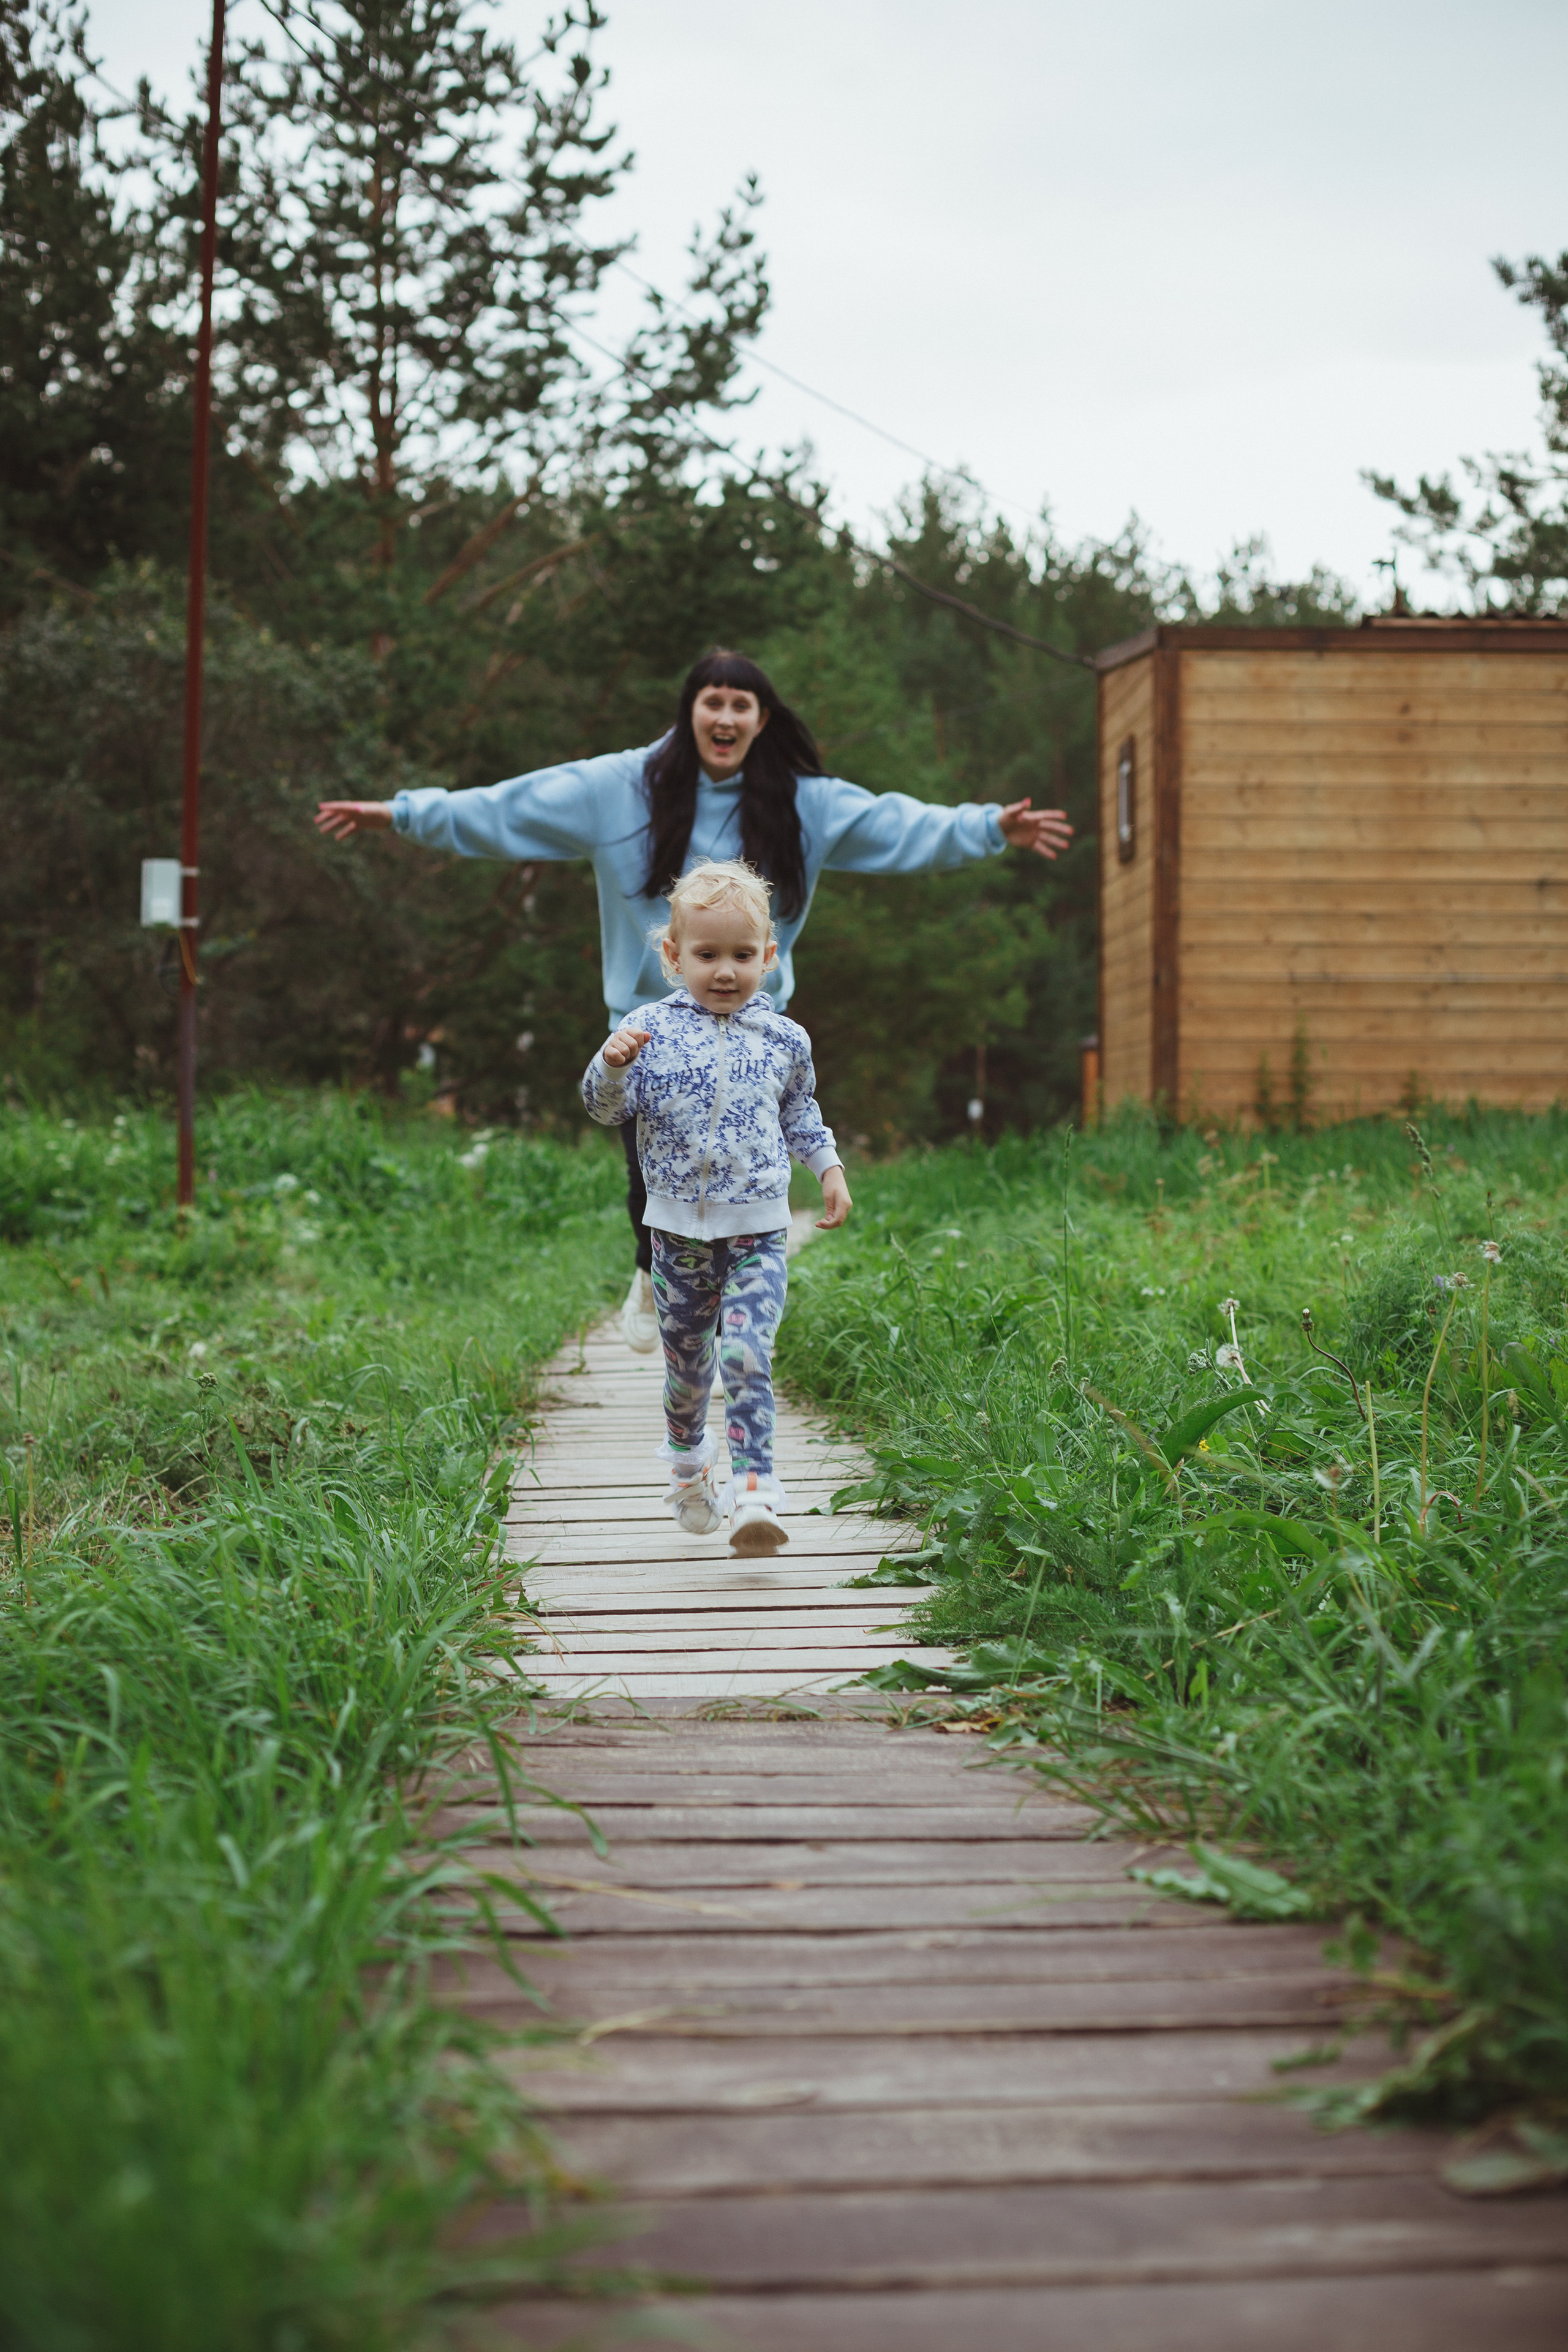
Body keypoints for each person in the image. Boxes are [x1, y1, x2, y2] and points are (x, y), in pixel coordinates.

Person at [314, 647, 1072, 1350]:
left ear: (761, 720)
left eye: (742, 705)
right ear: (690, 713)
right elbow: (506, 809)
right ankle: (651, 1274)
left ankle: (739, 1295)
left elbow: (900, 825)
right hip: (646, 1024)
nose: (726, 718)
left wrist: (991, 827)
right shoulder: (619, 790)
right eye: (713, 702)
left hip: (753, 1027)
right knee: (649, 1172)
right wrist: (401, 813)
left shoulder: (804, 804)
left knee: (747, 1160)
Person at [581, 858, 846, 1555]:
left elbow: (802, 1114)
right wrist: (609, 1064)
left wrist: (828, 1168)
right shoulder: (647, 1031)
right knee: (687, 1368)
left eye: (741, 955)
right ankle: (689, 1464)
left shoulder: (784, 1040)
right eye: (706, 955)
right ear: (673, 956)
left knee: (748, 1351)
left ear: (768, 956)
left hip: (758, 1228)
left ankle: (756, 1487)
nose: (724, 971)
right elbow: (605, 1112)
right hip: (676, 1236)